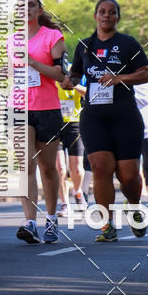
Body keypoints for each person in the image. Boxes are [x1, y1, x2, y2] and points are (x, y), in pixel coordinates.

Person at [62, 0, 148, 242]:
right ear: (95, 16)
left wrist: (119, 78)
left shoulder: (127, 43)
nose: (106, 16)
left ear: (117, 17)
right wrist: (69, 80)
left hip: (125, 115)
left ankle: (134, 206)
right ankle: (107, 225)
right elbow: (76, 73)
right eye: (102, 11)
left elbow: (147, 73)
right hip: (94, 116)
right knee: (101, 168)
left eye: (112, 12)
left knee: (128, 175)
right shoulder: (85, 45)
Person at [11, 0, 66, 245]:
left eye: (31, 5)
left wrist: (32, 62)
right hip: (19, 107)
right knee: (25, 165)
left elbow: (60, 74)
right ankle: (30, 222)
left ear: (40, 10)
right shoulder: (11, 40)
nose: (26, 9)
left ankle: (51, 219)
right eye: (22, 6)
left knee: (47, 167)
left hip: (47, 108)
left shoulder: (52, 37)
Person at [56, 82, 87, 218]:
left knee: (77, 169)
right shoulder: (50, 74)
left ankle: (77, 191)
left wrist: (73, 84)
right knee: (60, 168)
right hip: (55, 124)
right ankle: (65, 203)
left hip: (75, 124)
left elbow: (89, 93)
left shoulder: (77, 75)